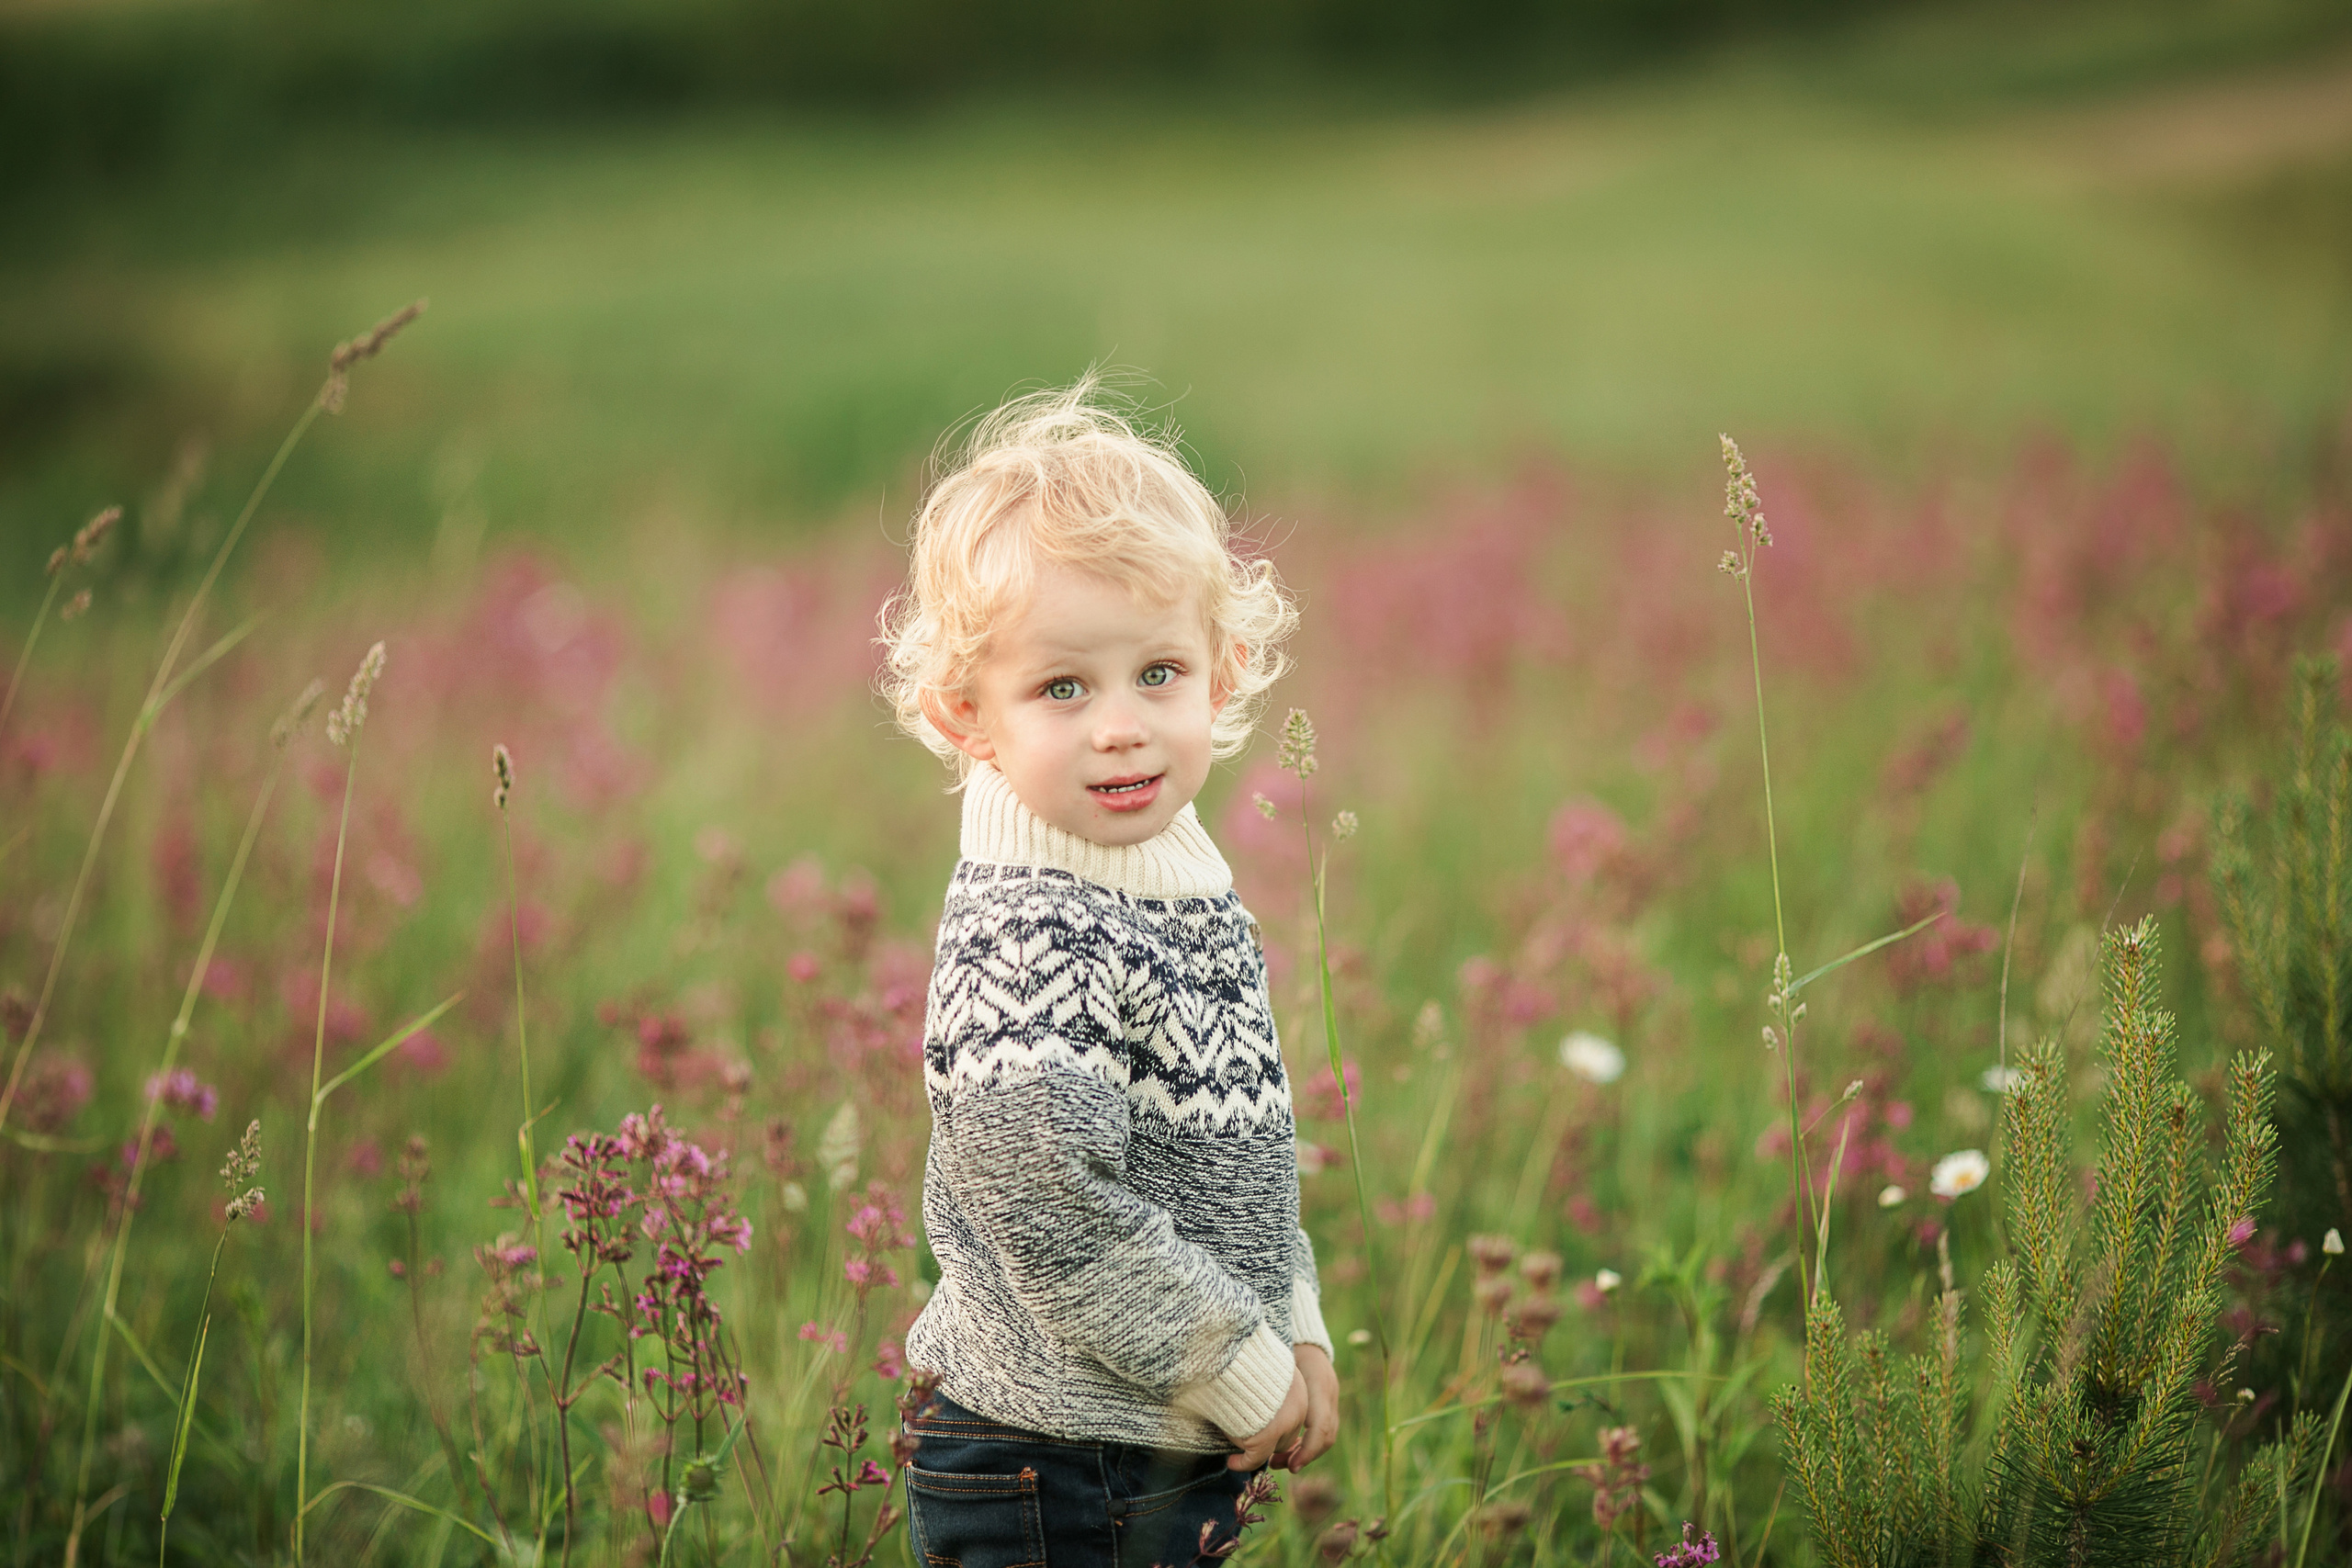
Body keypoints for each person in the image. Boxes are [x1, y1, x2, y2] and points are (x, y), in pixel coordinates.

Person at [878, 378, 1338, 1565]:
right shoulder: (1037, 926)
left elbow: (1236, 1155)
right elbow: (1050, 1205)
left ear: (1223, 674)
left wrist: (1297, 1330)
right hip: (1046, 1458)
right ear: (968, 713)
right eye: (1063, 688)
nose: (1122, 726)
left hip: (1146, 1439)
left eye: (1159, 674)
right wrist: (1236, 1368)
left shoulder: (1173, 879)